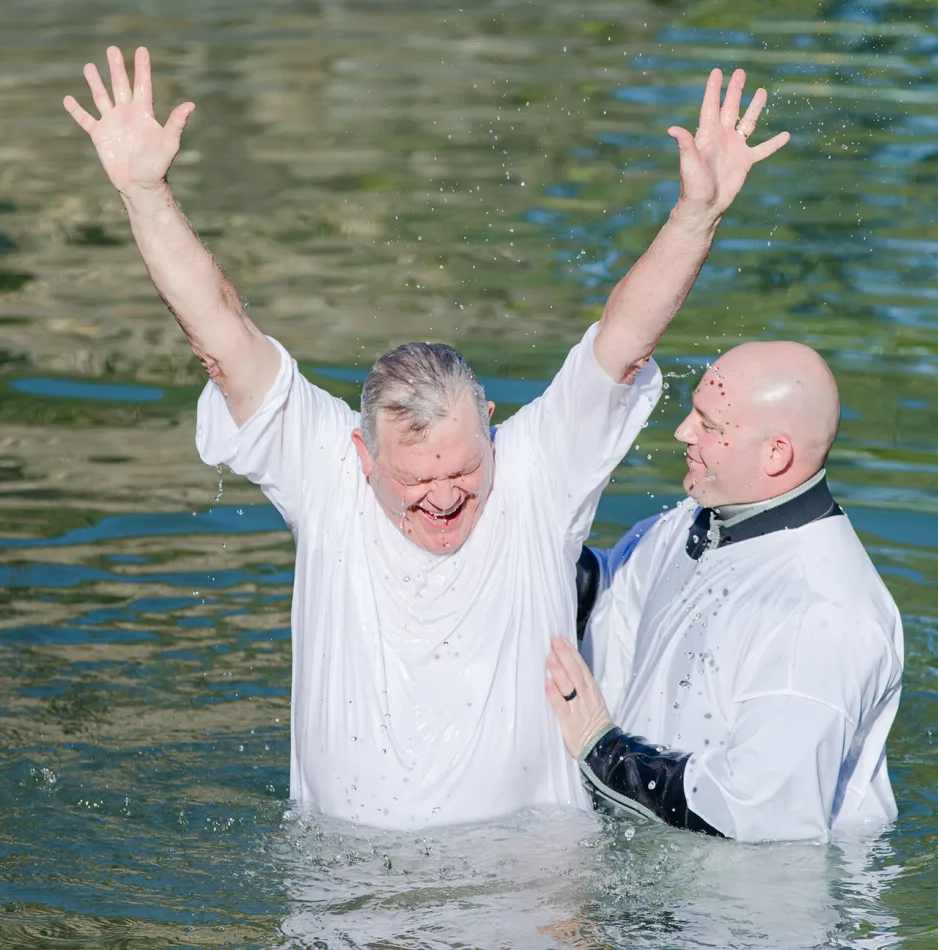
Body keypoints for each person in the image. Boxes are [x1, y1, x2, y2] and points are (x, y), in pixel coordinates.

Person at [63, 47, 791, 829]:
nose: (444, 498)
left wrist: (696, 214)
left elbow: (622, 343)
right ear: (360, 454)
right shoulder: (320, 469)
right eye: (413, 482)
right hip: (343, 903)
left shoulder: (538, 471)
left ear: (490, 428)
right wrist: (145, 195)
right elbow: (222, 338)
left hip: (527, 896)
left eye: (464, 472)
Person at [546, 342, 904, 843]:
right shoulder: (696, 525)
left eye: (709, 426)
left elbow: (758, 813)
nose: (682, 432)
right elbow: (610, 604)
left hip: (754, 908)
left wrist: (603, 752)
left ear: (776, 453)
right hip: (656, 875)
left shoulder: (822, 616)